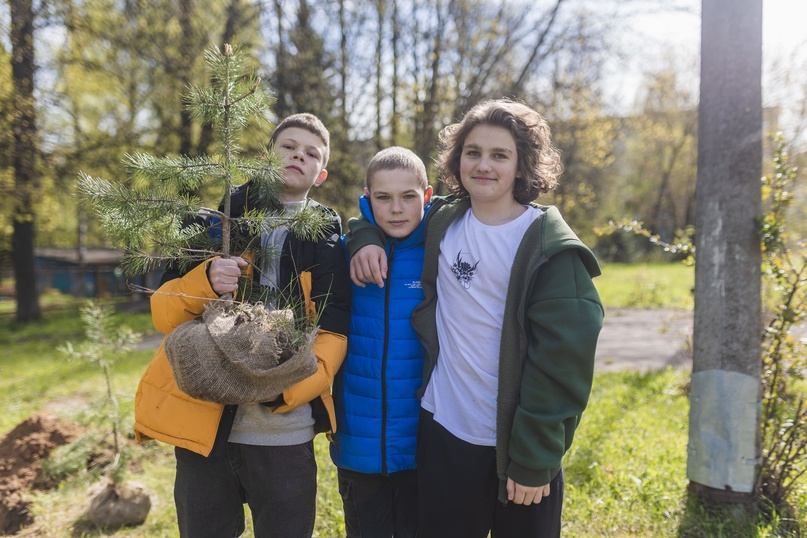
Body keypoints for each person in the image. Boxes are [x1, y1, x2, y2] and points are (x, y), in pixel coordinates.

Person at [346, 99, 604, 537]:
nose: (483, 165)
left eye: (500, 155)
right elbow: (386, 210)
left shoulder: (549, 248)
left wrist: (535, 457)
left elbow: (564, 365)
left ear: (523, 165)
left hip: (516, 447)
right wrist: (364, 237)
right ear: (457, 159)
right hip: (444, 432)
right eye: (473, 152)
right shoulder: (444, 221)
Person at [133, 113, 351, 537]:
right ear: (267, 156)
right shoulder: (214, 223)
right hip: (205, 427)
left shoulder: (325, 237)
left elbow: (333, 330)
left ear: (321, 174)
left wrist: (288, 391)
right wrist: (207, 279)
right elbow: (163, 314)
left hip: (282, 432)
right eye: (287, 146)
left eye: (310, 153)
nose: (297, 156)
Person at [330, 147, 433, 537]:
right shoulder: (344, 253)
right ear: (366, 197)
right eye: (383, 197)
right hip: (358, 443)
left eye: (408, 196)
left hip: (422, 445)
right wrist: (360, 234)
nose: (396, 209)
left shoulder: (441, 250)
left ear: (426, 196)